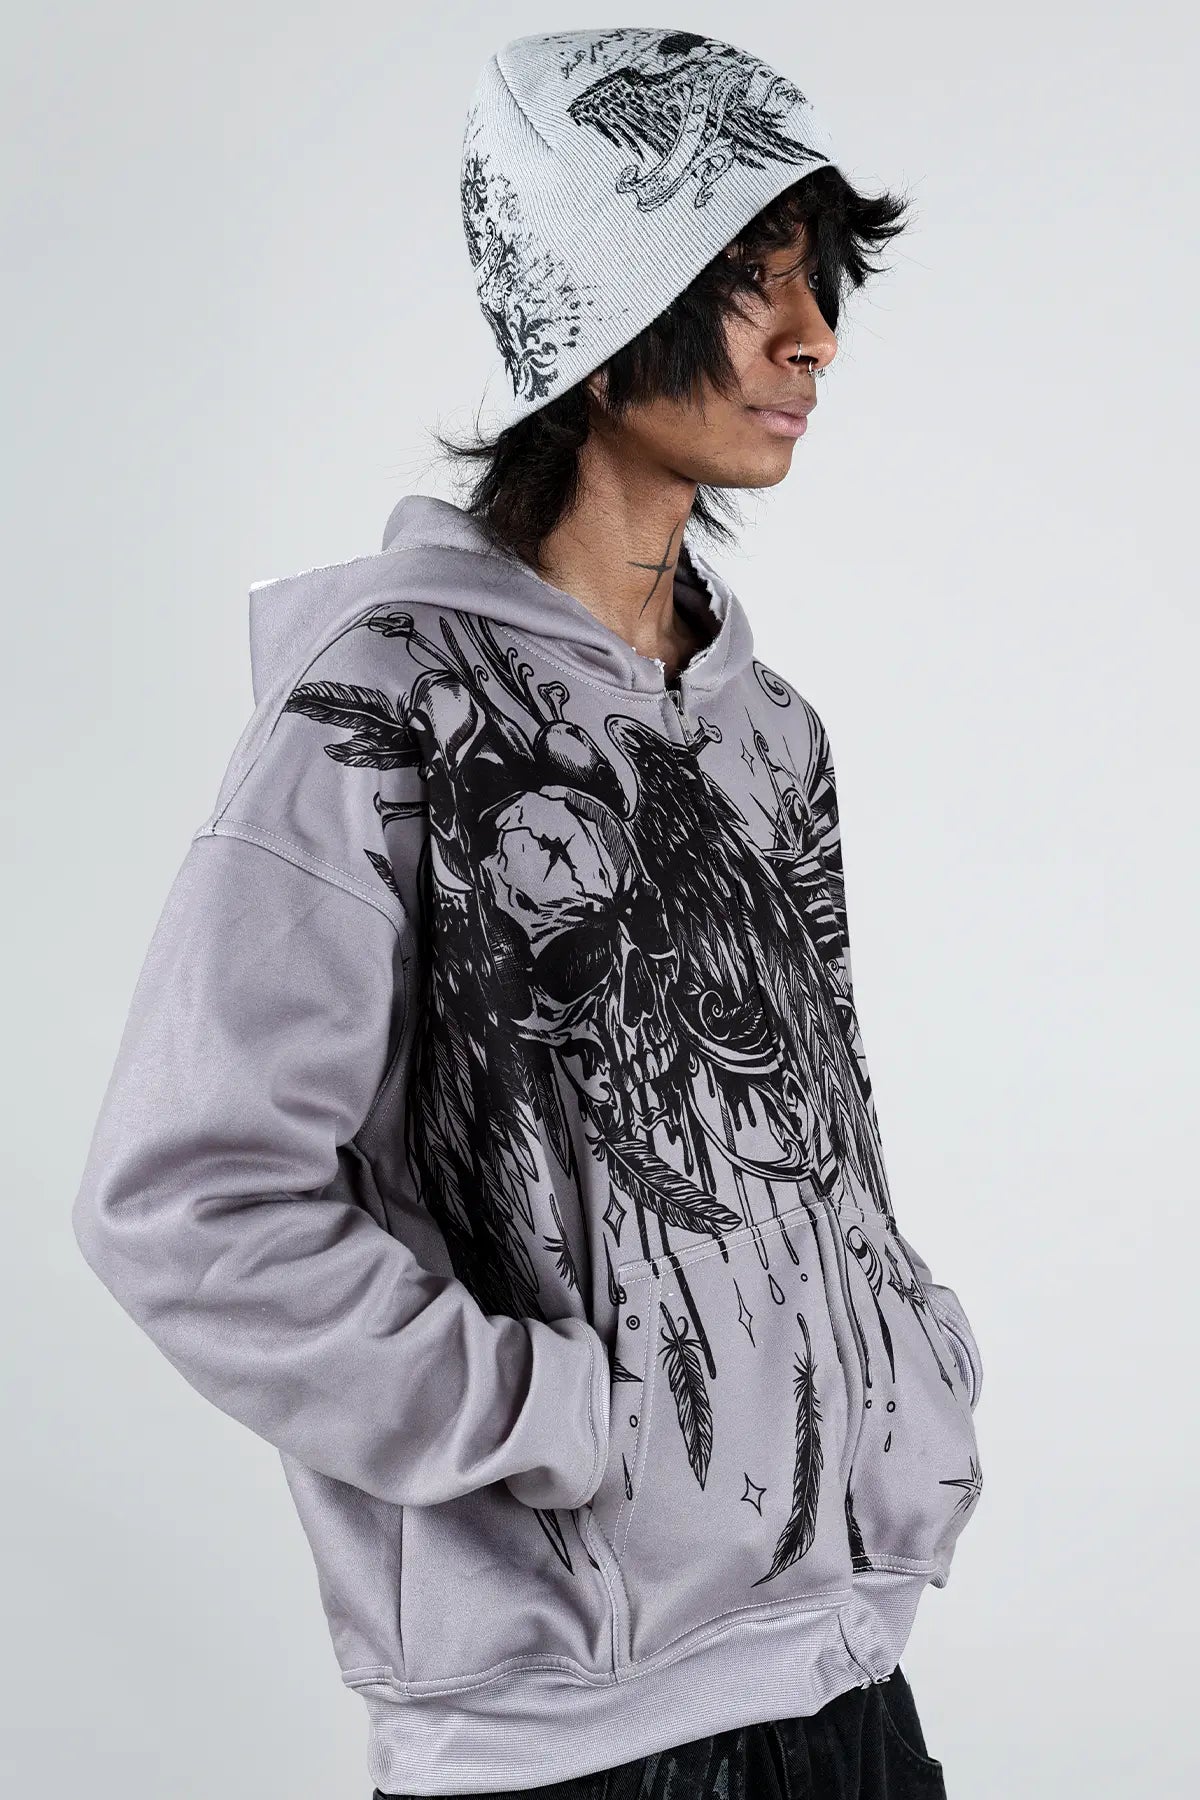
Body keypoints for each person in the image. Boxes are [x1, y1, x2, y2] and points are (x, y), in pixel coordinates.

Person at [71, 27, 986, 1800]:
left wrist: (905, 1355)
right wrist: (555, 1417)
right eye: (753, 280)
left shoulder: (769, 733)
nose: (812, 337)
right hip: (569, 1745)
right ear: (596, 303)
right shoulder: (385, 708)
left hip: (852, 1690)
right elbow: (185, 1197)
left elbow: (813, 1141)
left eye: (821, 282)